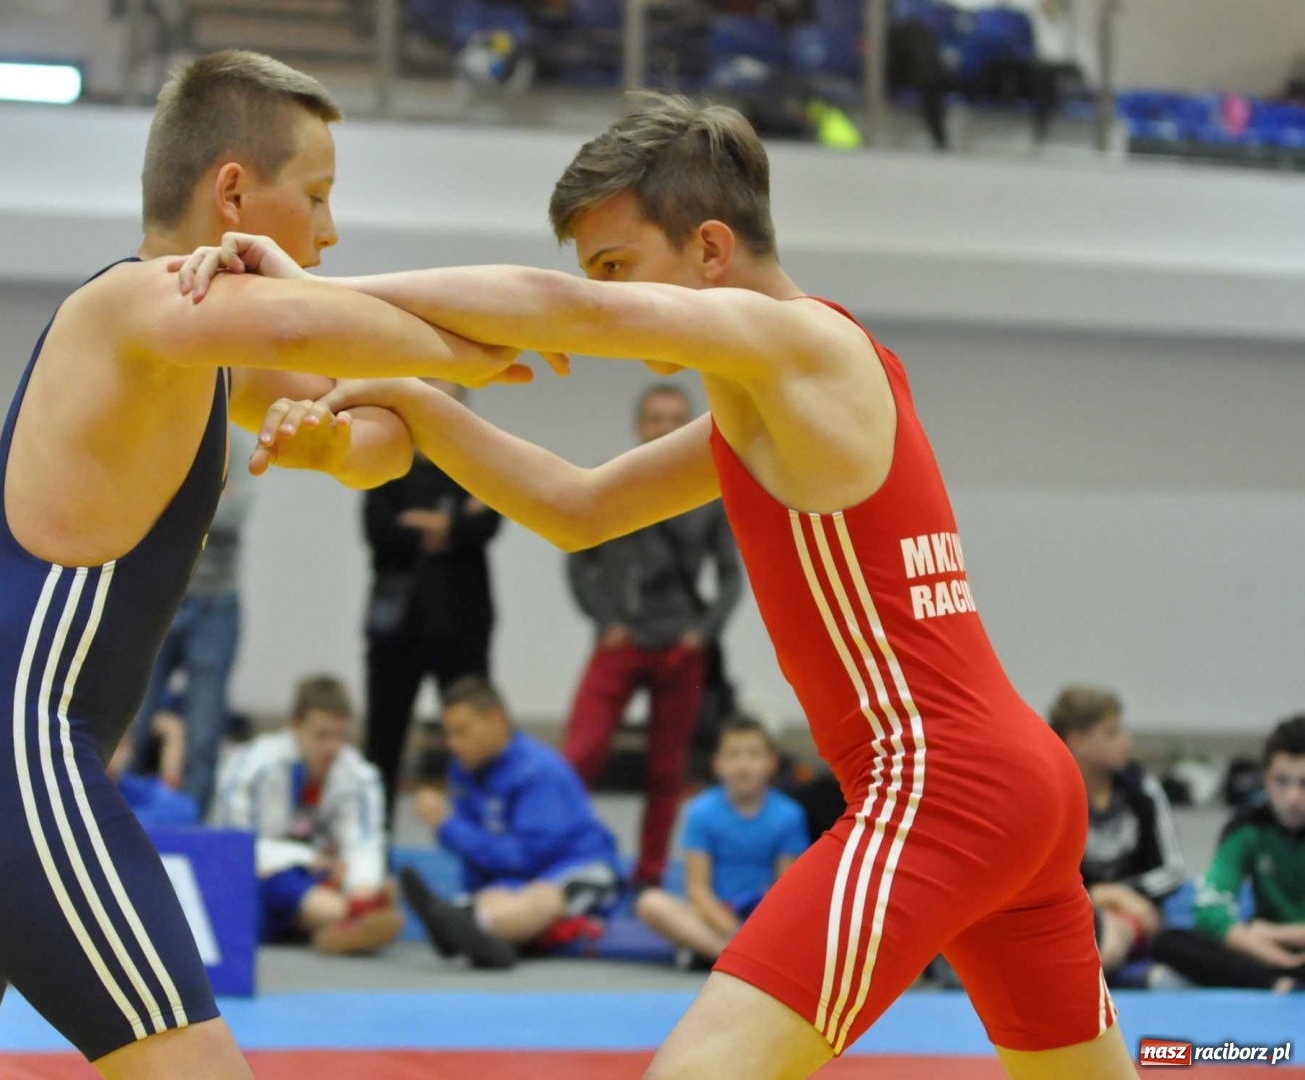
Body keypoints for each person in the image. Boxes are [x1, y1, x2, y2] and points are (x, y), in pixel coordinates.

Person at [197, 90, 1138, 1078]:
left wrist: (312, 298)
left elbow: (565, 314)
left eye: (617, 267)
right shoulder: (774, 393)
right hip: (1018, 783)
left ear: (713, 252)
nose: (604, 298)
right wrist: (425, 410)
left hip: (936, 790)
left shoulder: (808, 344)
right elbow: (580, 507)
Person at [0, 51, 538, 1080]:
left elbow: (391, 423)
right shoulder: (134, 304)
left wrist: (335, 441)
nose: (331, 233)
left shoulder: (203, 347)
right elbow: (318, 321)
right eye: (320, 197)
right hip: (4, 742)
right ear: (235, 193)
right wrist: (477, 344)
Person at [565, 381, 740, 887]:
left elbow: (731, 572)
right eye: (656, 419)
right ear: (639, 426)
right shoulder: (613, 480)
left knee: (667, 771)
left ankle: (649, 872)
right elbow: (578, 555)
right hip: (620, 639)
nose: (664, 428)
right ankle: (567, 860)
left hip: (679, 645)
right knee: (579, 756)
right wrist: (604, 622)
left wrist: (703, 633)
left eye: (675, 419)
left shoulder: (712, 489)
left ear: (691, 427)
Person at [399, 676, 622, 971]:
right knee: (494, 897)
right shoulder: (464, 770)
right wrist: (482, 891)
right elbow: (478, 851)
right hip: (520, 875)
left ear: (496, 720)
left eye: (462, 732)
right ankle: (484, 931)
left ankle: (469, 924)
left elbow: (526, 857)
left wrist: (446, 826)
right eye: (448, 733)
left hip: (577, 866)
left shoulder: (539, 771)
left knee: (543, 898)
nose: (452, 743)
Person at [362, 380, 502, 831]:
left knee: (474, 738)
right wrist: (453, 522)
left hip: (463, 622)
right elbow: (378, 529)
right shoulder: (387, 461)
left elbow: (489, 524)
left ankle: (477, 838)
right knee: (383, 740)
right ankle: (373, 844)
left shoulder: (479, 462)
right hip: (396, 625)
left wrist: (429, 524)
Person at [125, 422, 258, 818]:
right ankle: (116, 809)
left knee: (204, 722)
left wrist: (177, 500)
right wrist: (211, 496)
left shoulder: (236, 444)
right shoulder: (163, 434)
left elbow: (234, 513)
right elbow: (138, 506)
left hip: (216, 603)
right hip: (160, 596)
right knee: (132, 710)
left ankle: (193, 819)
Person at [213, 675, 401, 955]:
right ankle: (351, 916)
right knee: (270, 886)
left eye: (340, 736)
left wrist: (361, 885)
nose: (332, 747)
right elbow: (235, 848)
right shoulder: (250, 766)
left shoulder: (360, 776)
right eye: (321, 735)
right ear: (293, 726)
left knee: (372, 871)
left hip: (325, 875)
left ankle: (349, 915)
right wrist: (306, 859)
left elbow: (364, 842)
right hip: (260, 875)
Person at [635, 717, 809, 965]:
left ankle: (724, 955)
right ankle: (742, 959)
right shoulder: (700, 811)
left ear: (771, 763)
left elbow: (785, 888)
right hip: (714, 919)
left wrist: (761, 928)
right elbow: (697, 888)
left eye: (753, 754)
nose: (743, 764)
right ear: (718, 764)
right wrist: (727, 926)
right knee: (650, 903)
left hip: (763, 918)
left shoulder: (789, 815)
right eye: (733, 755)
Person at [1153, 715, 1305, 993]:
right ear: (1265, 780)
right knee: (1167, 941)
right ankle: (1278, 982)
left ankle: (1266, 981)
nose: (1293, 797)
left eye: (1304, 784)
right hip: (1264, 952)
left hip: (1272, 937)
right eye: (1282, 782)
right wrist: (1268, 949)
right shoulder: (1248, 826)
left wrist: (1273, 932)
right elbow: (1209, 908)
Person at [1048, 686, 1185, 976]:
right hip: (1071, 914)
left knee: (1122, 934)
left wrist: (1125, 893)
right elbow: (1037, 877)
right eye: (1112, 733)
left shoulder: (1142, 790)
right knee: (1106, 936)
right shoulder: (1049, 796)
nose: (1126, 741)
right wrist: (1098, 894)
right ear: (1077, 741)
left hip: (1138, 912)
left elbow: (1172, 869)